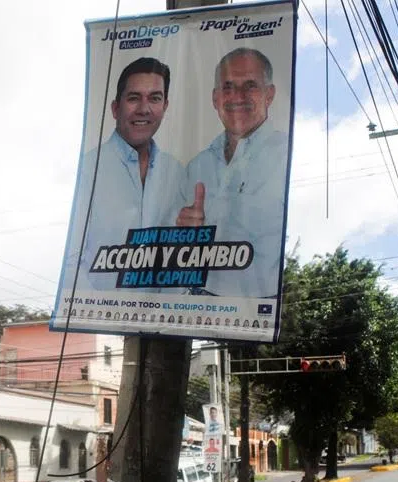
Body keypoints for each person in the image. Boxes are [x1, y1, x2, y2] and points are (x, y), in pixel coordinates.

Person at [61, 57, 186, 293]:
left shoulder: (176, 172)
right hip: (105, 322)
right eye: (133, 98)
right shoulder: (91, 167)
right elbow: (72, 260)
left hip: (161, 322)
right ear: (115, 108)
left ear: (165, 106)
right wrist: (107, 313)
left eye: (155, 98)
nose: (144, 109)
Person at [177, 48, 289, 299]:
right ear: (215, 98)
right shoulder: (197, 166)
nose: (238, 96)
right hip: (193, 304)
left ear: (269, 94)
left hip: (257, 312)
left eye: (250, 85)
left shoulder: (286, 156)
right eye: (228, 87)